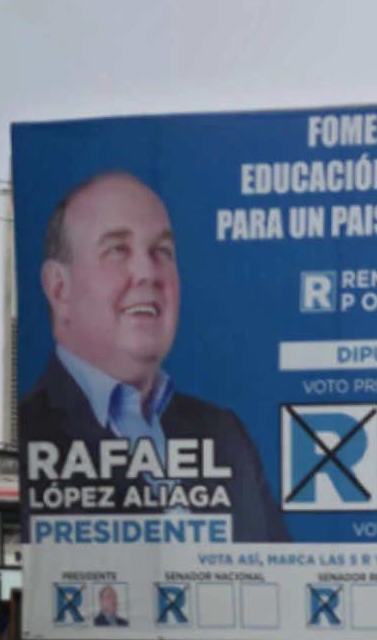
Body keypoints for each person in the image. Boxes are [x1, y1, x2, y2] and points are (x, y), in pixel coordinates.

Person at [17, 170, 290, 544]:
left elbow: (279, 577)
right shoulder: (35, 430)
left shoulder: (225, 434)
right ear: (59, 288)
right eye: (116, 249)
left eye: (161, 252)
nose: (148, 273)